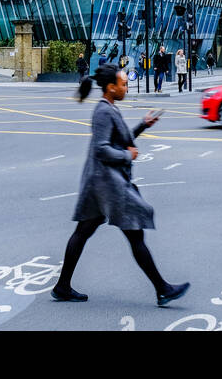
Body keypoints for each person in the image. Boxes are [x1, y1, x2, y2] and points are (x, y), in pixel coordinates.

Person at [51, 64, 189, 307]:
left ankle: (62, 286)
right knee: (135, 234)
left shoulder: (109, 108)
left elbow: (120, 141)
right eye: (123, 84)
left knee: (83, 232)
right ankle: (163, 289)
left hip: (98, 182)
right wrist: (128, 156)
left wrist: (143, 125)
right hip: (108, 184)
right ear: (111, 88)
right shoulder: (104, 111)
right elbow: (102, 149)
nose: (126, 87)